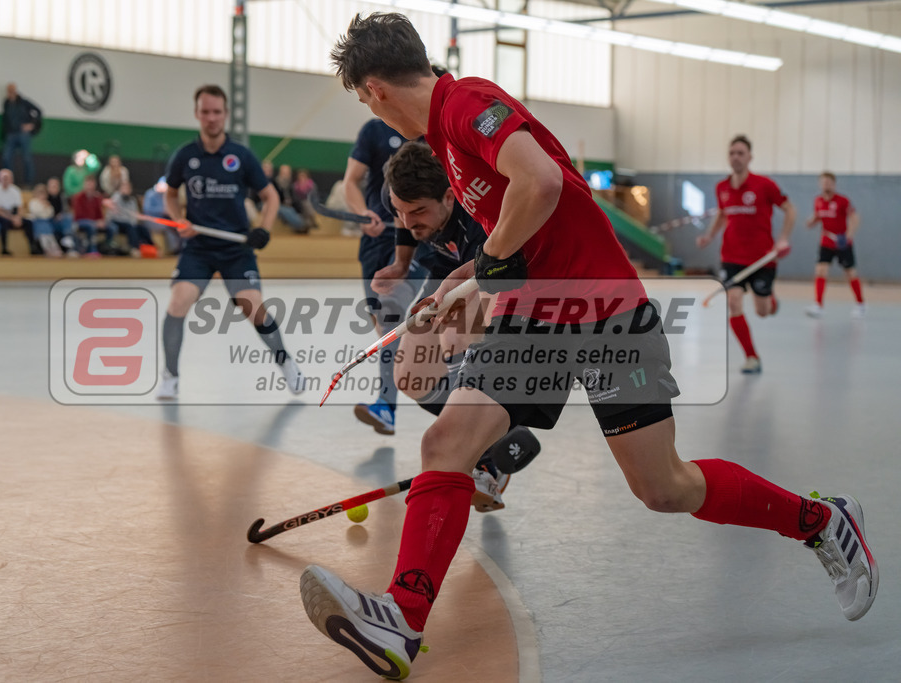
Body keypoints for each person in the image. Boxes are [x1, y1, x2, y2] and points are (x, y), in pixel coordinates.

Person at [299, 14, 877, 680]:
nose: (373, 112)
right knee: (447, 443)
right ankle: (401, 618)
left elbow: (539, 182)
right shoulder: (448, 143)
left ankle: (821, 520)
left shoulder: (466, 105)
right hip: (535, 317)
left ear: (372, 89)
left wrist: (488, 256)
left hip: (604, 310)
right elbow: (519, 241)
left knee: (663, 487)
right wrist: (467, 283)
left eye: (364, 101)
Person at [375, 140, 542, 512]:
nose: (407, 221)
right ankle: (503, 439)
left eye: (418, 211)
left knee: (457, 330)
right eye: (401, 211)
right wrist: (402, 265)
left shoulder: (477, 217)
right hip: (443, 267)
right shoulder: (402, 197)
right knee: (409, 375)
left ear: (450, 198)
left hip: (497, 269)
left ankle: (480, 451)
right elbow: (405, 222)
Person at [155, 84, 305, 400]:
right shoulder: (185, 156)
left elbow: (270, 196)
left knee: (255, 309)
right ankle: (170, 375)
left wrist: (263, 229)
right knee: (177, 302)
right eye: (206, 112)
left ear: (225, 114)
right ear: (197, 114)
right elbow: (170, 193)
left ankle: (286, 363)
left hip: (236, 249)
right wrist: (178, 218)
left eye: (217, 112)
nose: (211, 118)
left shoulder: (240, 156)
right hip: (198, 248)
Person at [344, 116, 421, 436]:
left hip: (418, 242)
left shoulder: (432, 132)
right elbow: (351, 181)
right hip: (375, 243)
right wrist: (363, 213)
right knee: (385, 325)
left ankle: (386, 405)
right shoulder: (374, 130)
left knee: (391, 313)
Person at [696, 135, 795, 374]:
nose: (736, 157)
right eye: (732, 153)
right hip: (731, 257)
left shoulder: (765, 185)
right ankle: (752, 357)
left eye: (740, 153)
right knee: (734, 302)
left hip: (762, 259)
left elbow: (789, 209)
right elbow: (722, 214)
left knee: (763, 312)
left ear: (749, 157)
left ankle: (770, 301)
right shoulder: (722, 187)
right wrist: (710, 236)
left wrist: (782, 239)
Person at [805, 172, 864, 318]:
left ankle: (860, 304)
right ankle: (818, 305)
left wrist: (849, 236)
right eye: (823, 182)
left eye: (829, 182)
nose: (826, 185)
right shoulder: (818, 201)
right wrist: (811, 222)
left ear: (834, 184)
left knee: (850, 272)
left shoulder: (842, 201)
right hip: (826, 242)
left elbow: (854, 217)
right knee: (820, 270)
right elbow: (818, 216)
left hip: (842, 243)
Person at [1, 83, 41, 185]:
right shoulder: (6, 103)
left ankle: (28, 182)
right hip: (11, 134)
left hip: (23, 134)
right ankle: (7, 180)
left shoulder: (23, 102)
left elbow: (38, 111)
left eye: (12, 90)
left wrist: (31, 125)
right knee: (6, 157)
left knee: (27, 158)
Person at [105, 179, 157, 257]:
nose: (126, 190)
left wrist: (135, 221)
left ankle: (153, 247)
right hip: (117, 222)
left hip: (129, 223)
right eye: (124, 188)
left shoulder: (132, 200)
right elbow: (114, 215)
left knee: (143, 228)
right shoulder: (116, 198)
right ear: (120, 189)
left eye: (128, 188)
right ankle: (134, 249)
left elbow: (135, 215)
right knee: (131, 228)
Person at [0, 168, 32, 256]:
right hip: (0, 216)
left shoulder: (15, 190)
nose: (6, 180)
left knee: (29, 223)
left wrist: (18, 217)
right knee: (3, 224)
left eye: (8, 178)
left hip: (13, 215)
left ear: (12, 179)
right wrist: (11, 218)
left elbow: (20, 207)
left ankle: (32, 247)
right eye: (4, 178)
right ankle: (4, 248)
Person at [71, 175, 115, 258]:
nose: (90, 186)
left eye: (92, 184)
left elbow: (99, 213)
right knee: (92, 226)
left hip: (94, 222)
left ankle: (106, 248)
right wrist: (95, 222)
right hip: (81, 222)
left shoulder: (97, 198)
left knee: (112, 227)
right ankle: (92, 250)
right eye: (88, 184)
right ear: (84, 184)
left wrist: (101, 221)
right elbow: (79, 214)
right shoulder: (78, 197)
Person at [26, 183, 64, 257]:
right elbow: (37, 213)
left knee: (50, 236)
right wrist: (43, 209)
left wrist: (46, 207)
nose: (42, 196)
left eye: (44, 194)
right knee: (44, 237)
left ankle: (55, 249)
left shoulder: (47, 203)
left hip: (46, 223)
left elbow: (50, 213)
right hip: (38, 223)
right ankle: (47, 250)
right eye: (40, 194)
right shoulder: (33, 202)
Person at [45, 176, 78, 257]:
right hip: (49, 221)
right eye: (52, 186)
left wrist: (61, 215)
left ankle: (68, 238)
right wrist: (53, 216)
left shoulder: (62, 197)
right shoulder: (45, 198)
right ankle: (67, 239)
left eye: (56, 186)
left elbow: (66, 210)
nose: (54, 188)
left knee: (69, 218)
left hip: (61, 221)